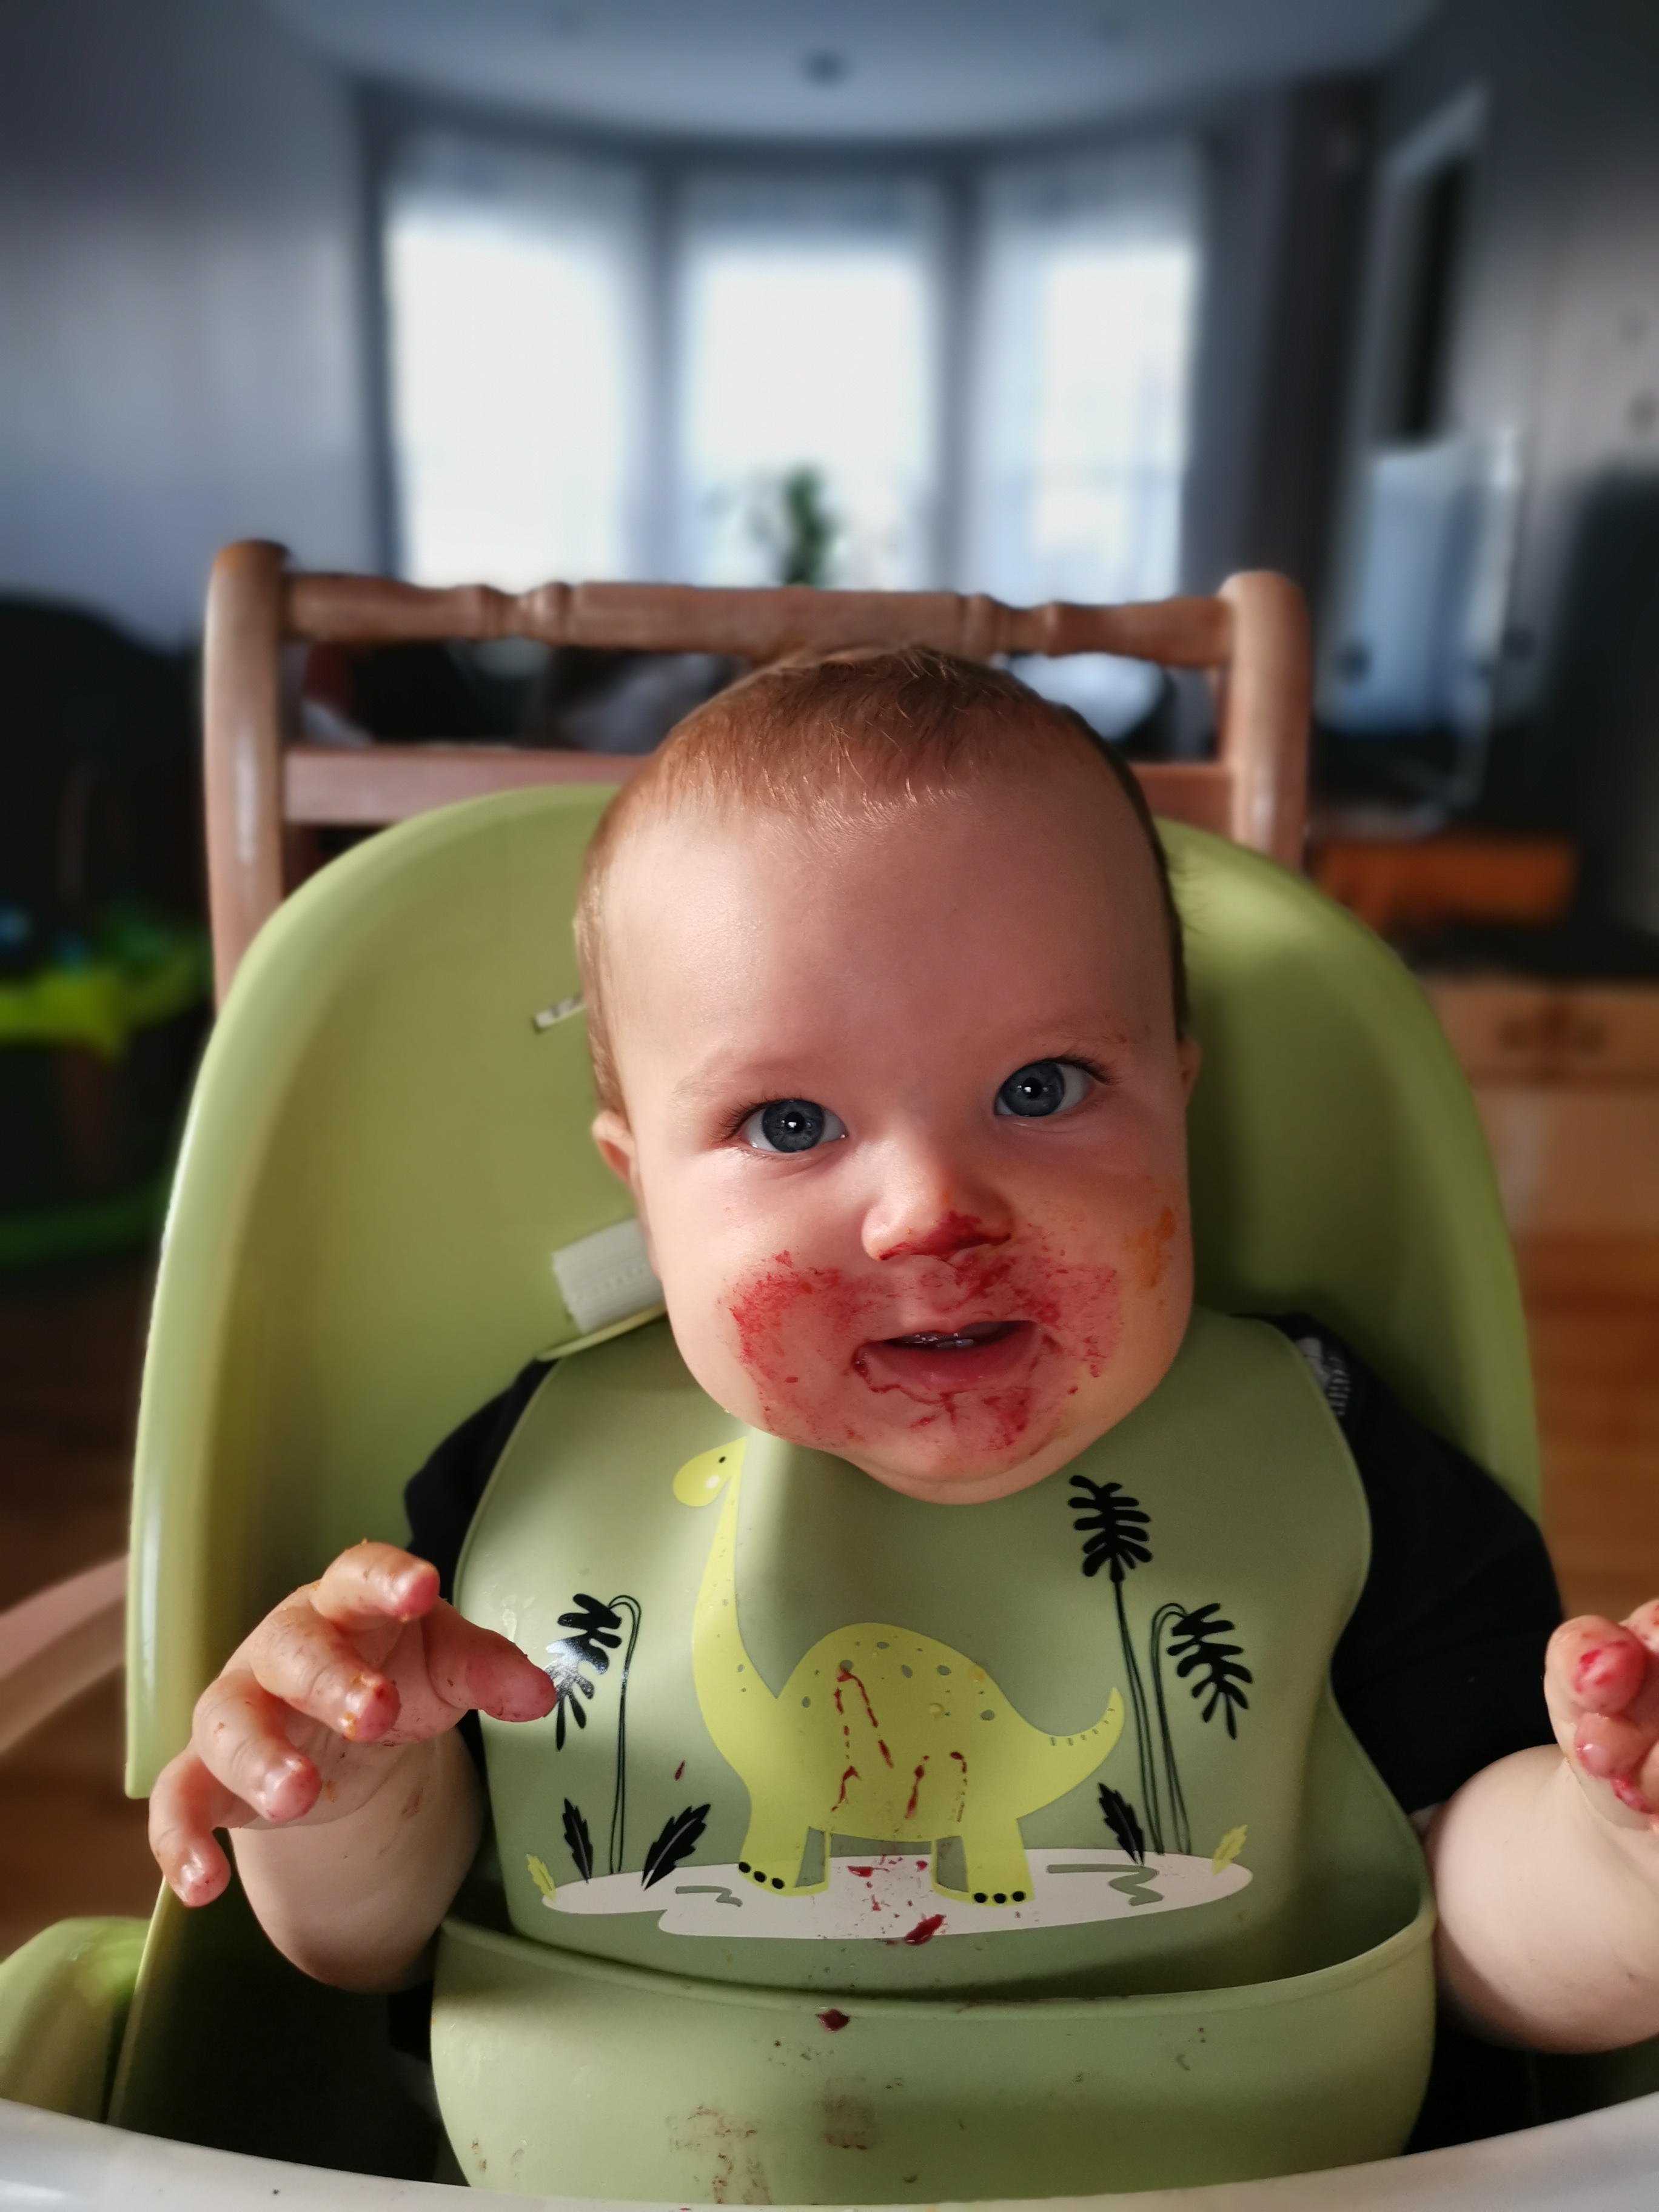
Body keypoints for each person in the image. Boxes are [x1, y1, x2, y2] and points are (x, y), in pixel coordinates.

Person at [146, 651, 1659, 2196]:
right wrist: (334, 1793)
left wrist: (1625, 1858)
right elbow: (367, 1943)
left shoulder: (1322, 1447)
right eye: (789, 1124)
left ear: (1177, 1098)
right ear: (644, 1192)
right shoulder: (531, 1482)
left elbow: (1482, 1936)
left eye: (1044, 1086)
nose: (932, 1209)